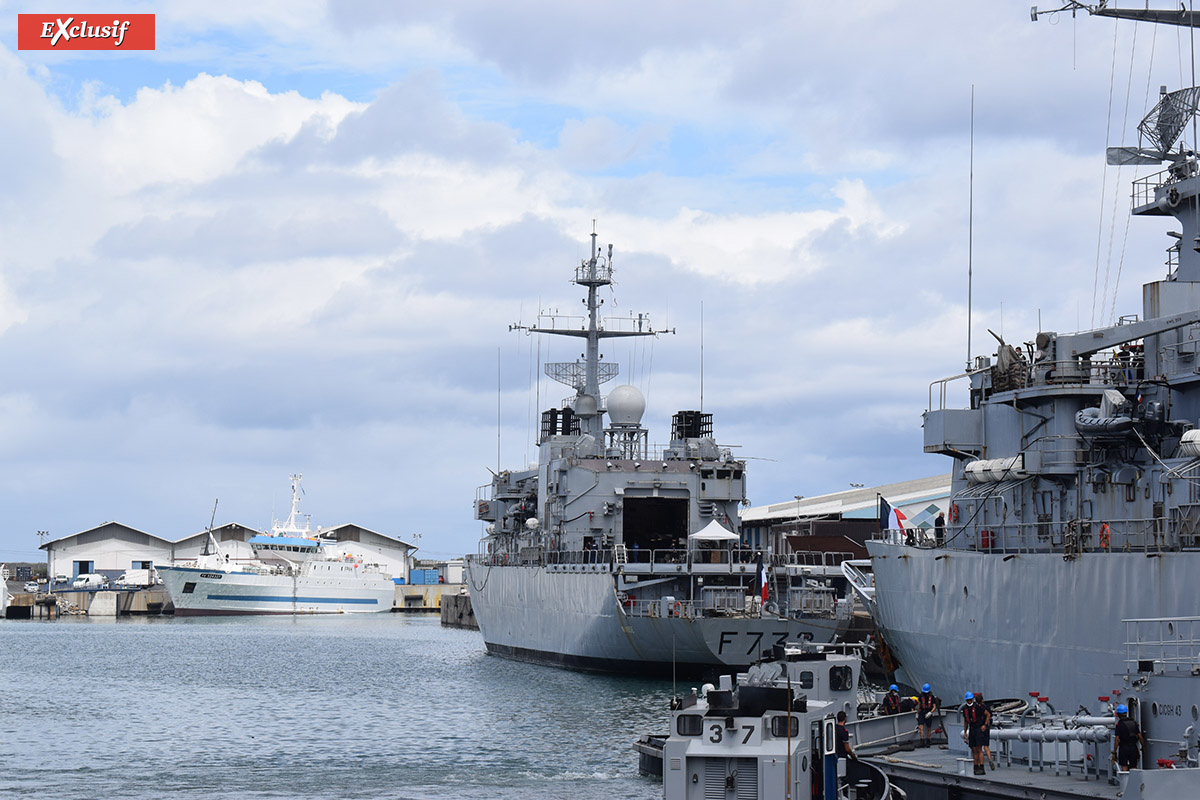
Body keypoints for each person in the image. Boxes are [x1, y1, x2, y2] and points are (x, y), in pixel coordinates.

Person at [962, 692, 990, 775]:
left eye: (970, 700)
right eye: (968, 700)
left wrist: (985, 725)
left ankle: (981, 767)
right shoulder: (965, 709)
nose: (969, 701)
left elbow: (988, 714)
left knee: (979, 749)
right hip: (972, 730)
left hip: (978, 729)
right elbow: (966, 721)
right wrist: (965, 731)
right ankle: (975, 766)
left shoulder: (978, 707)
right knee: (973, 749)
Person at [1112, 704, 1144, 772]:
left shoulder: (1119, 724)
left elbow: (1117, 739)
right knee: (1134, 766)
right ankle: (1133, 781)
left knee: (1124, 766)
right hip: (1133, 747)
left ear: (1118, 714)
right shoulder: (1133, 723)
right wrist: (1143, 747)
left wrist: (1114, 752)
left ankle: (1125, 781)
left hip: (1123, 748)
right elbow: (1140, 737)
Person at [976, 692, 995, 770]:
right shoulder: (986, 707)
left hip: (980, 727)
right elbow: (990, 715)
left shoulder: (977, 708)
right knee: (986, 746)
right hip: (987, 728)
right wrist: (986, 724)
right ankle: (990, 758)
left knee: (979, 749)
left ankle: (981, 764)